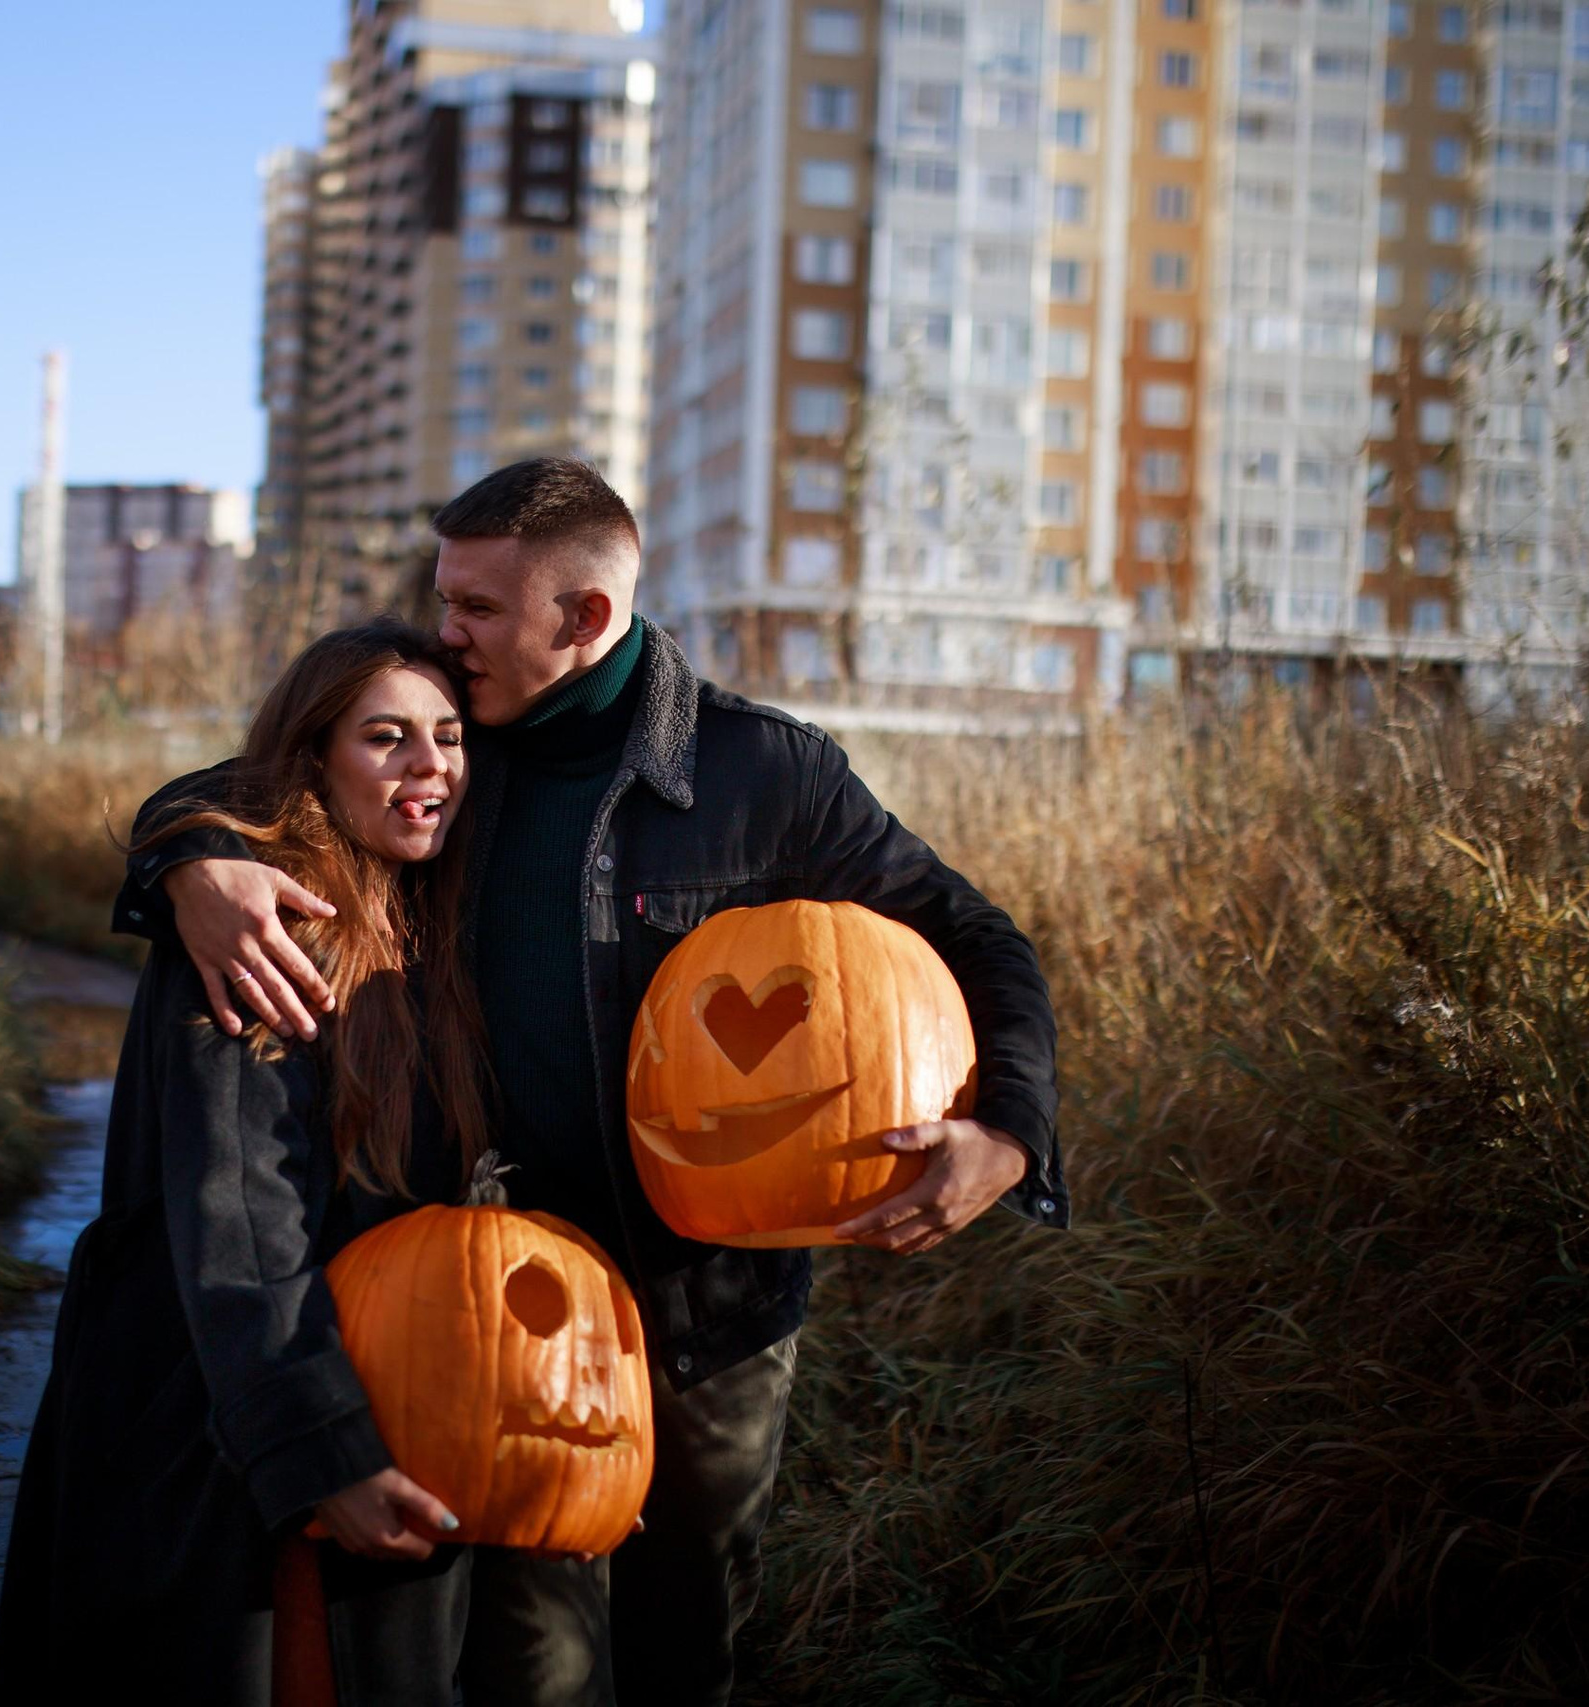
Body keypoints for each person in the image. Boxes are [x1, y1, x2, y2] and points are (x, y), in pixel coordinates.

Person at [115, 458, 1068, 1704]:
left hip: (711, 1309)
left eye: (475, 610)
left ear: (583, 619)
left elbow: (976, 936)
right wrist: (188, 853)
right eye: (443, 601)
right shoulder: (463, 753)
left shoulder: (763, 774)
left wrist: (1008, 1130)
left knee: (687, 1642)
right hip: (499, 1307)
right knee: (528, 1665)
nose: (445, 636)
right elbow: (278, 774)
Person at [0, 621, 499, 1706]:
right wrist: (321, 1448)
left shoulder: (428, 915)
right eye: (387, 738)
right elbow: (242, 1217)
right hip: (210, 1410)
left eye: (449, 737)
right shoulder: (265, 930)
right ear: (314, 760)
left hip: (368, 1384)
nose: (430, 766)